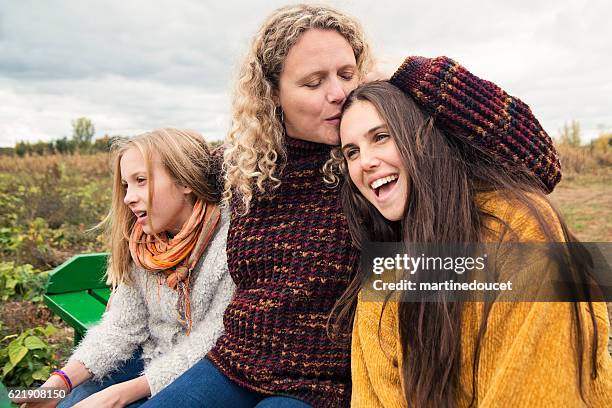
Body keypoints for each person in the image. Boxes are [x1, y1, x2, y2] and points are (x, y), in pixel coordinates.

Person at [337, 58, 612, 407]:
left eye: (381, 137)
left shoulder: (517, 225)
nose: (365, 162)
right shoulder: (385, 274)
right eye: (352, 152)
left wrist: (408, 72)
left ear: (423, 138)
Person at [142, 4, 372, 408]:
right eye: (313, 82)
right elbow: (168, 173)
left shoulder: (373, 165)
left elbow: (520, 147)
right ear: (273, 93)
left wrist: (407, 74)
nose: (339, 94)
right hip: (234, 363)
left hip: (323, 385)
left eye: (347, 75)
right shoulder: (244, 164)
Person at [13, 128, 234, 408]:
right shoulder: (142, 243)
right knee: (74, 400)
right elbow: (122, 327)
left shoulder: (232, 242)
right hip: (151, 356)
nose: (128, 197)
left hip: (210, 376)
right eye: (126, 185)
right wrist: (60, 382)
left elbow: (214, 341)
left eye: (140, 181)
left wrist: (122, 394)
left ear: (184, 180)